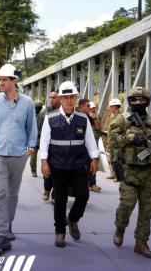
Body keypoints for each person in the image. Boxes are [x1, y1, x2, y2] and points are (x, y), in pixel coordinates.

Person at [110, 86, 151, 259]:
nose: (138, 103)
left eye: (141, 100)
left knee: (147, 211)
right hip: (130, 170)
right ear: (130, 102)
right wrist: (131, 138)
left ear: (147, 102)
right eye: (134, 100)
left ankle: (141, 242)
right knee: (126, 206)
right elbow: (113, 142)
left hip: (150, 173)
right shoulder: (121, 121)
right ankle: (120, 228)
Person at [0, 64, 38, 252]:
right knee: (0, 193)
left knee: (12, 194)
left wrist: (29, 149)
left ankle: (8, 224)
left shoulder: (27, 103)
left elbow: (32, 128)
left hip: (19, 154)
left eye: (5, 79)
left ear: (14, 81)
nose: (1, 82)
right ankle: (2, 234)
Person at [39, 81, 99, 248]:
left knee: (83, 196)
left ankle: (72, 220)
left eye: (71, 97)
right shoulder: (50, 118)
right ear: (60, 98)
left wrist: (94, 158)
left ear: (75, 98)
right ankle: (60, 231)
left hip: (78, 163)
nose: (68, 100)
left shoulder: (82, 118)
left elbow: (90, 141)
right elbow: (44, 141)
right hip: (57, 165)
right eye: (65, 97)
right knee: (60, 199)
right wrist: (44, 162)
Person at [37, 91, 60, 203]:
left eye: (54, 97)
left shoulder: (64, 110)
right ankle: (47, 190)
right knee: (48, 171)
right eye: (50, 97)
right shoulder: (44, 111)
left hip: (60, 148)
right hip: (48, 147)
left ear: (60, 98)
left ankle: (55, 195)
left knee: (58, 173)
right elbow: (38, 127)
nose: (51, 99)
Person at [106, 98, 123, 181]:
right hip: (112, 143)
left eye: (111, 107)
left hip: (117, 143)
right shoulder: (113, 117)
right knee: (112, 159)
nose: (110, 108)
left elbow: (123, 129)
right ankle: (113, 174)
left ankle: (118, 176)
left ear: (115, 107)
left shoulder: (120, 118)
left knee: (117, 160)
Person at [30, 100, 44, 178]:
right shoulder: (43, 114)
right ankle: (42, 170)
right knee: (43, 155)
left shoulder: (31, 114)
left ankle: (33, 171)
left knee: (33, 155)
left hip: (34, 138)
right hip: (41, 137)